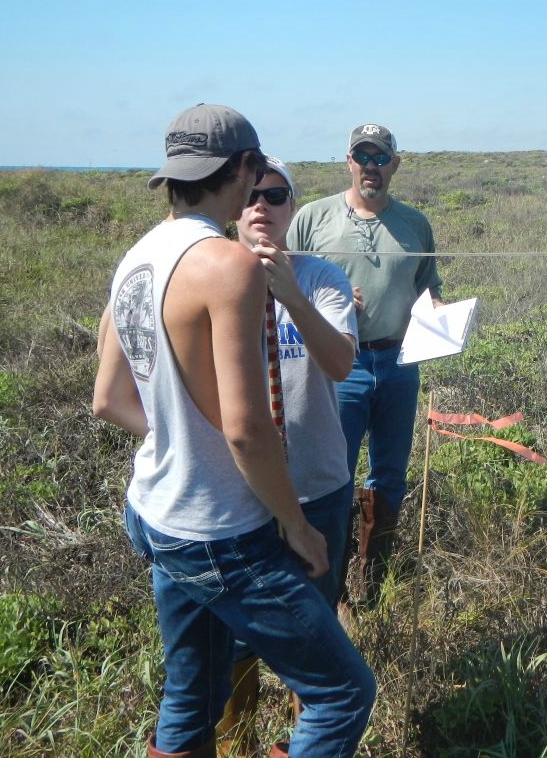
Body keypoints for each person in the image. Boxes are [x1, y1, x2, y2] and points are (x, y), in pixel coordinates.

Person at [92, 104, 375, 758]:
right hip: (221, 528)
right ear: (244, 169)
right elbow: (247, 431)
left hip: (156, 512)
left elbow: (107, 397)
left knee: (192, 690)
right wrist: (297, 526)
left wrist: (184, 442)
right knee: (342, 693)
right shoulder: (227, 264)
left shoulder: (138, 257)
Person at [215, 157, 360, 752]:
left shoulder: (321, 277)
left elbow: (341, 363)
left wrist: (290, 295)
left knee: (316, 631)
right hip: (239, 497)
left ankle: (308, 737)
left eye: (274, 196)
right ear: (232, 208)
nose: (260, 207)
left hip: (318, 486)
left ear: (291, 208)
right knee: (235, 640)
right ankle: (237, 738)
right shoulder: (211, 279)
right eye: (249, 196)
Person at [287, 123, 442, 603]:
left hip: (399, 363)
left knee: (390, 474)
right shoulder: (313, 218)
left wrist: (438, 314)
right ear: (348, 160)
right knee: (335, 474)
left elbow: (429, 289)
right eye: (362, 156)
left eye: (381, 158)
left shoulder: (415, 224)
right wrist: (328, 305)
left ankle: (371, 583)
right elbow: (280, 288)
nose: (371, 166)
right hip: (340, 368)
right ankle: (326, 585)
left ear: (395, 163)